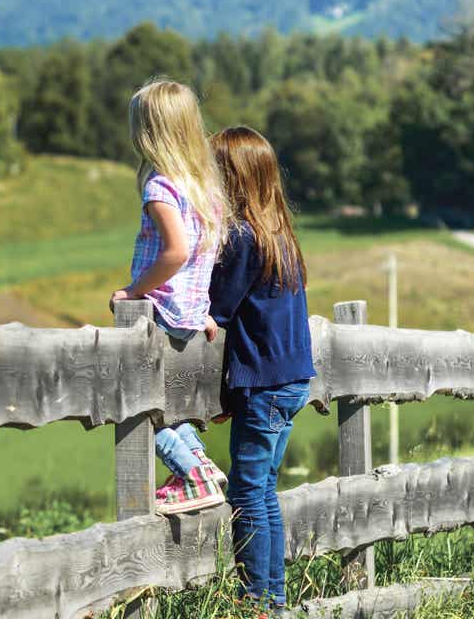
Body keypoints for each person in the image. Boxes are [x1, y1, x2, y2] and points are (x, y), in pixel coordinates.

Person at [108, 78, 229, 515]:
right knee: (170, 406)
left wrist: (133, 291)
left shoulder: (160, 187)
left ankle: (190, 475)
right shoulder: (205, 189)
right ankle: (200, 465)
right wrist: (204, 311)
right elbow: (205, 252)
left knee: (135, 407)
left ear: (148, 133)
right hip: (192, 313)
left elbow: (176, 251)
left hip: (161, 310)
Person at [207, 126, 316, 610]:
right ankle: (273, 598)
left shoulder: (243, 238)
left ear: (233, 179)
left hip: (265, 384)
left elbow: (219, 308)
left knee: (248, 495)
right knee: (265, 492)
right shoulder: (280, 235)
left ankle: (257, 601)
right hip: (290, 381)